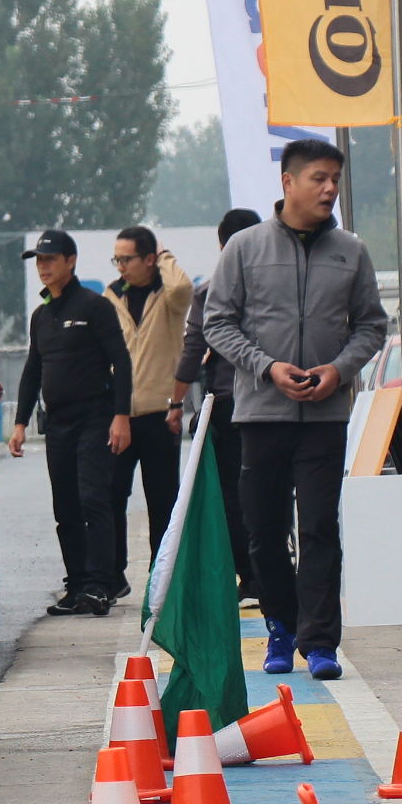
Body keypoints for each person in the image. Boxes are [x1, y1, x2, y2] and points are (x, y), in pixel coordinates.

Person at [203, 139, 388, 679]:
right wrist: (267, 367)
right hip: (260, 414)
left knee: (319, 529)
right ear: (288, 183)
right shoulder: (244, 247)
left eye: (335, 179)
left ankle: (320, 641)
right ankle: (280, 628)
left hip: (325, 418)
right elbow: (218, 322)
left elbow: (371, 325)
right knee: (263, 529)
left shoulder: (350, 251)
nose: (329, 188)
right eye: (319, 178)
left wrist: (338, 370)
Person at [9, 230, 133, 618]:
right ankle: (76, 584)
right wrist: (19, 423)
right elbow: (32, 371)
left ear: (71, 261)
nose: (43, 267)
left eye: (50, 259)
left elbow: (122, 362)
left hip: (95, 417)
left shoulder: (94, 307)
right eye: (39, 261)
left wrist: (121, 415)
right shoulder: (41, 315)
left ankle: (100, 584)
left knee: (93, 499)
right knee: (65, 505)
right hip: (57, 423)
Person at [172, 207, 262, 601]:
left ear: (222, 245)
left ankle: (249, 574)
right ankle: (271, 569)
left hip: (227, 404)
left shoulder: (209, 292)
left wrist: (175, 403)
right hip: (273, 403)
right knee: (270, 489)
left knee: (230, 494)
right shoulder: (279, 287)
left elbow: (193, 351)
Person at [103, 226, 193, 580]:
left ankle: (163, 575)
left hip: (160, 415)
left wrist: (166, 256)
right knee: (111, 496)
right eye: (117, 259)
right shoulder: (113, 296)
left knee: (162, 502)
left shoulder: (169, 297)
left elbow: (184, 287)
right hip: (121, 416)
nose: (120, 267)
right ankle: (113, 575)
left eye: (127, 259)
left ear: (150, 259)